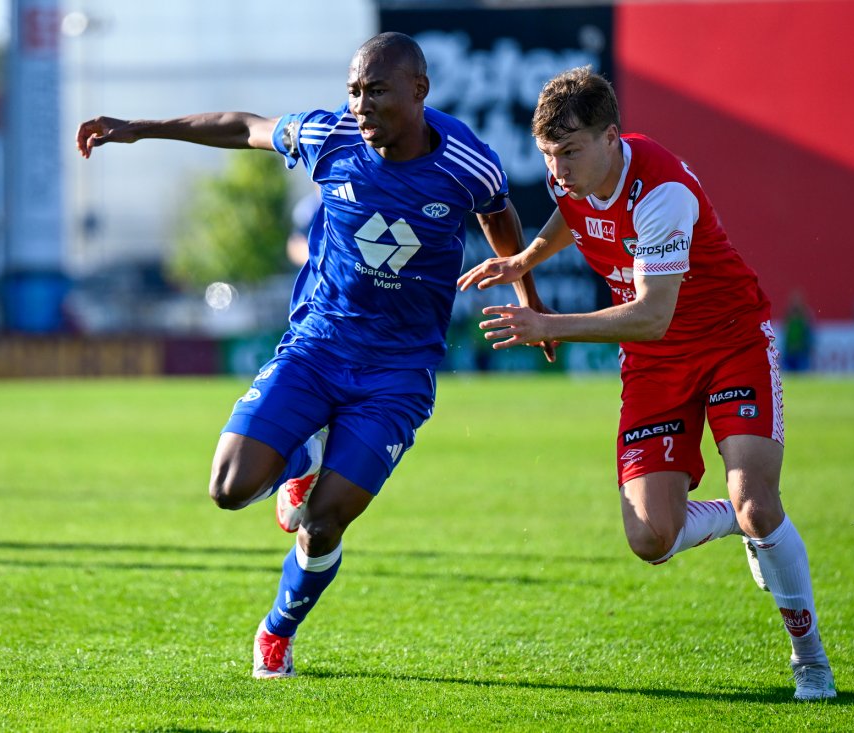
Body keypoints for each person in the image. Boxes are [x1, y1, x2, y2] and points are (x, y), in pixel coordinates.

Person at [76, 32, 552, 679]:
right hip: (317, 348)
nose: (360, 103)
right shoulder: (330, 139)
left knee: (323, 522)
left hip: (397, 375)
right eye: (353, 90)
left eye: (376, 90)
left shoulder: (468, 161)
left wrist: (530, 295)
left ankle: (277, 629)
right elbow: (241, 125)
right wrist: (139, 129)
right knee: (227, 488)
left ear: (419, 91)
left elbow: (499, 216)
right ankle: (302, 452)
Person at [458, 67, 835, 701]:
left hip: (729, 341)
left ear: (612, 137)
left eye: (569, 152)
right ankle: (735, 524)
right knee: (650, 539)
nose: (558, 170)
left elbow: (654, 315)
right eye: (548, 155)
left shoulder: (661, 193)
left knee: (759, 501)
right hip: (657, 366)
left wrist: (547, 322)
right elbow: (571, 212)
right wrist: (525, 260)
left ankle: (810, 660)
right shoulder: (576, 174)